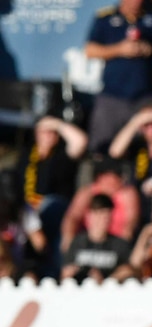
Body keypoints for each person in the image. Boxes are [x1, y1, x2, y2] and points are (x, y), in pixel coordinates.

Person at [84, 0, 152, 154]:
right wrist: (119, 49)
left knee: (146, 150)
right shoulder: (106, 17)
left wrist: (150, 48)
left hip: (144, 97)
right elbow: (90, 50)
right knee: (102, 148)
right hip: (112, 96)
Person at [17, 115, 89, 279]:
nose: (49, 135)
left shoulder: (62, 156)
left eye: (53, 132)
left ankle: (55, 272)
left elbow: (81, 141)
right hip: (27, 214)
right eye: (44, 131)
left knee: (53, 205)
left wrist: (57, 124)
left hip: (55, 215)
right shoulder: (26, 157)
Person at [61, 193, 135, 284]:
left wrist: (107, 280)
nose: (102, 221)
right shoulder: (77, 242)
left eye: (106, 216)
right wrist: (75, 272)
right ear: (89, 216)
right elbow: (65, 272)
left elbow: (129, 270)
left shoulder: (120, 244)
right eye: (98, 215)